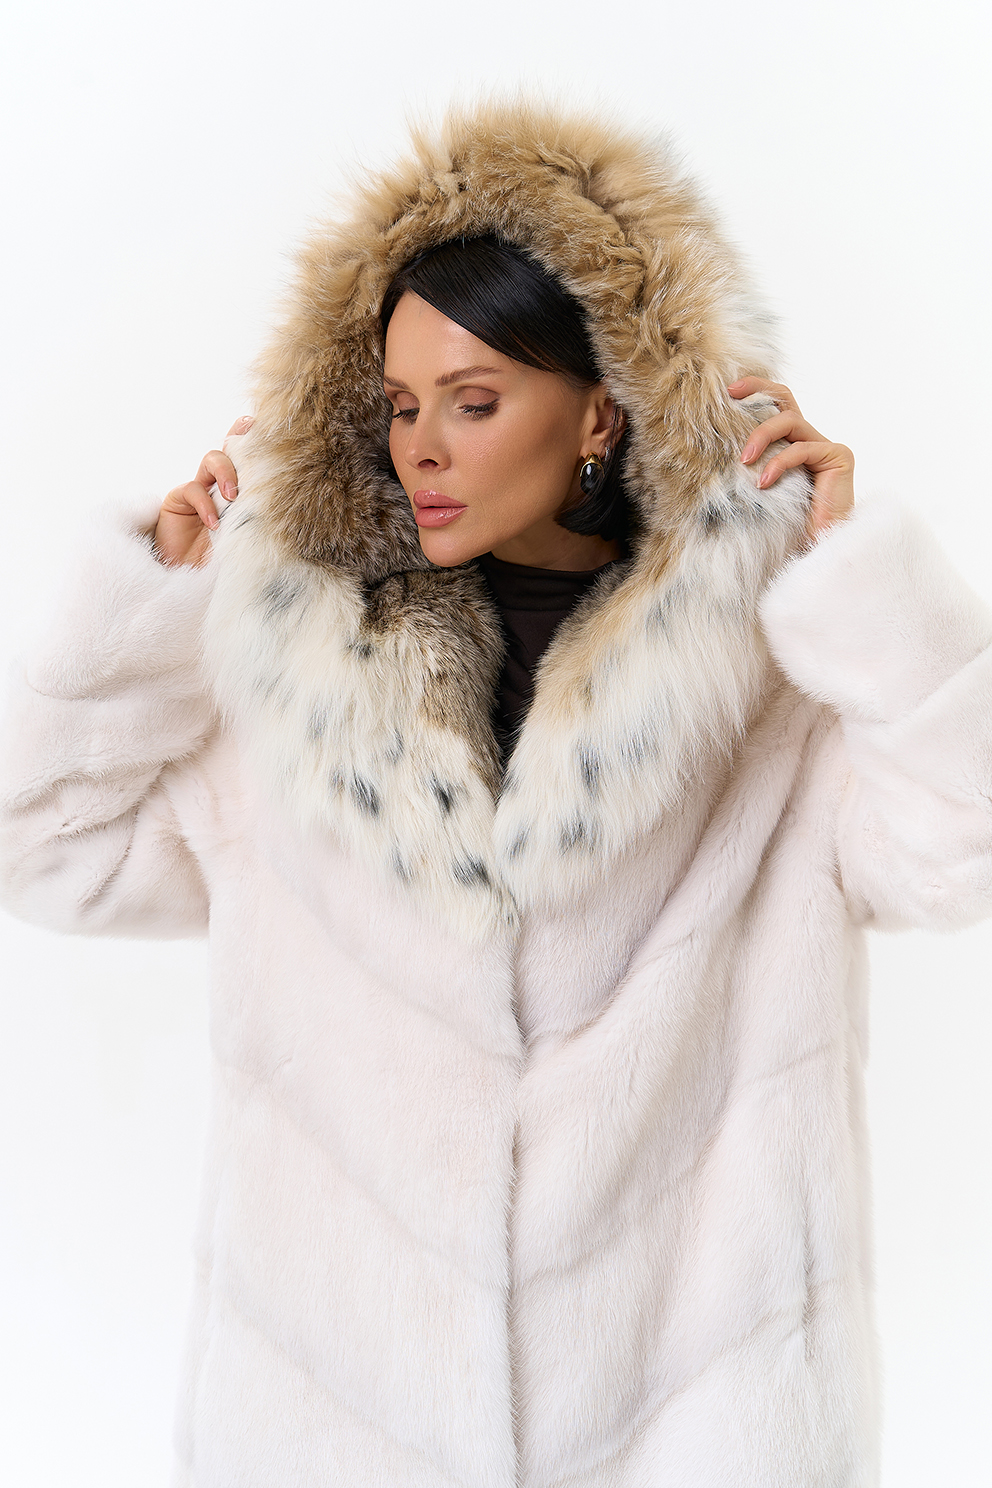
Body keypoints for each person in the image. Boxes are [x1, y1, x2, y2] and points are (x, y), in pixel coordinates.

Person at [2, 101, 991, 1487]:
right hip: (338, 1435)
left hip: (693, 1426)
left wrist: (851, 573)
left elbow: (961, 852)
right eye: (401, 406)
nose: (424, 445)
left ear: (599, 410)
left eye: (474, 402)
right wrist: (155, 608)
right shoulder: (301, 695)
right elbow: (48, 847)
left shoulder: (768, 683)